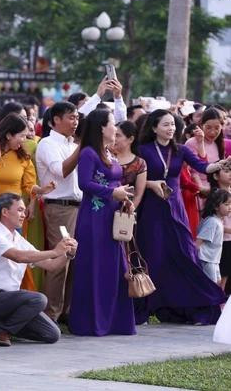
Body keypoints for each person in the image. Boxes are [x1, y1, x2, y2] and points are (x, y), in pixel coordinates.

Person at [134, 109, 228, 325]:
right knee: (153, 256)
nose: (171, 129)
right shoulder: (144, 150)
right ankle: (144, 307)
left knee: (185, 254)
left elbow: (203, 166)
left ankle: (195, 305)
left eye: (173, 125)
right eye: (166, 125)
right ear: (154, 127)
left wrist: (219, 165)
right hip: (152, 210)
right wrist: (150, 185)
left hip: (176, 209)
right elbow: (131, 177)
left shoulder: (181, 150)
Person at [69, 110, 136, 336]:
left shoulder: (109, 152)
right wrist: (112, 192)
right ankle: (91, 322)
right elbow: (84, 184)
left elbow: (115, 181)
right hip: (94, 218)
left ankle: (115, 321)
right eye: (111, 123)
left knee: (115, 267)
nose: (115, 127)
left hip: (113, 216)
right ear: (101, 127)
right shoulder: (88, 153)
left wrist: (124, 198)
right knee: (95, 266)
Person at [0, 193, 76, 346]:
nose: (24, 215)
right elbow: (19, 256)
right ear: (5, 212)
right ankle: (1, 332)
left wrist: (67, 255)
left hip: (14, 303)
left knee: (52, 334)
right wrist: (55, 251)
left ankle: (3, 326)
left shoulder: (19, 239)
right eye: (20, 210)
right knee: (39, 299)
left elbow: (51, 265)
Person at [35, 101, 81, 323]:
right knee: (60, 260)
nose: (75, 122)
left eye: (77, 118)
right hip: (59, 208)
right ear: (55, 120)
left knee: (73, 261)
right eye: (71, 117)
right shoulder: (47, 143)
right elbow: (60, 171)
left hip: (77, 207)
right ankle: (50, 315)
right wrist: (83, 147)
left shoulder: (73, 145)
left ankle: (66, 312)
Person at [196, 189, 231, 286]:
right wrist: (194, 259)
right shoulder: (212, 222)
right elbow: (199, 242)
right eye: (226, 204)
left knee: (217, 285)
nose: (230, 207)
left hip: (213, 260)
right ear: (216, 206)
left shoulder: (218, 221)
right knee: (211, 287)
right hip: (207, 260)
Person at [208, 160, 231, 289]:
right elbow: (211, 221)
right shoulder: (216, 195)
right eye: (226, 171)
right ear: (216, 176)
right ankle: (218, 301)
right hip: (222, 240)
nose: (230, 174)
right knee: (222, 274)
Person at [114, 121, 148, 209]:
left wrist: (129, 211)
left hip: (123, 211)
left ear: (131, 139)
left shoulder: (140, 163)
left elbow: (137, 195)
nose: (114, 138)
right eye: (113, 134)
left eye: (117, 135)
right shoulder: (106, 157)